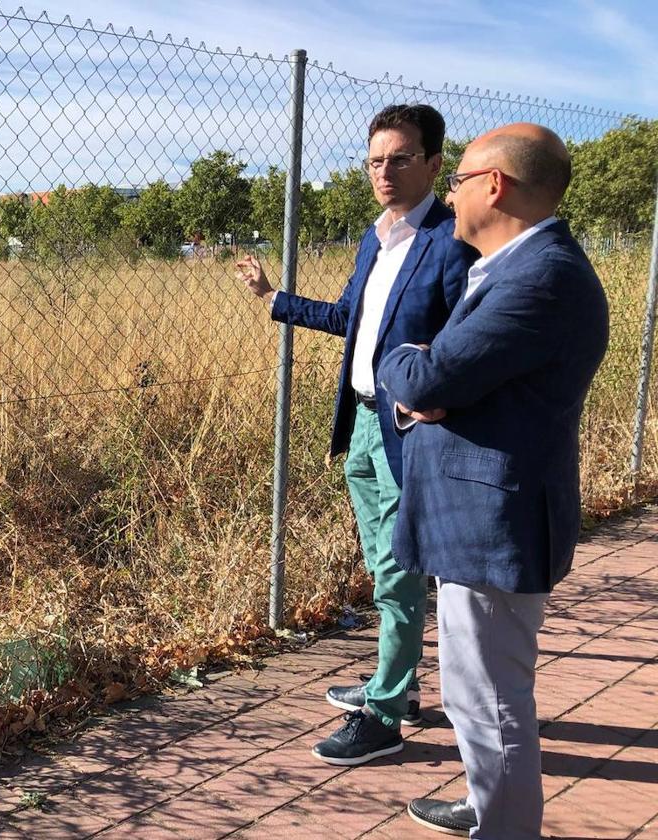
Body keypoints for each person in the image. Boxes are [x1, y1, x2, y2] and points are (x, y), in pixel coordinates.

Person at [377, 123, 609, 838]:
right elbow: (445, 381)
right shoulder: (517, 268)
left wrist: (402, 362)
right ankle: (489, 804)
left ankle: (506, 826)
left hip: (492, 524)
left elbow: (424, 372)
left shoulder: (539, 279)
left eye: (456, 182)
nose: (450, 196)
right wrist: (426, 379)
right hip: (481, 516)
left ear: (494, 186)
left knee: (490, 697)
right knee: (475, 689)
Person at [239, 103, 476, 766]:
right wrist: (273, 298)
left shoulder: (451, 242)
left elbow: (465, 342)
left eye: (400, 158)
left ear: (433, 164)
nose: (385, 171)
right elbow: (352, 317)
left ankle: (387, 712)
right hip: (364, 424)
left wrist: (441, 402)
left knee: (399, 572)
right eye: (375, 160)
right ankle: (391, 685)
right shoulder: (377, 237)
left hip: (411, 430)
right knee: (381, 567)